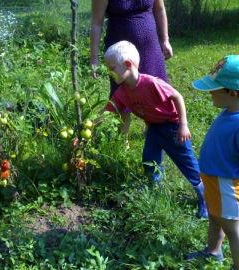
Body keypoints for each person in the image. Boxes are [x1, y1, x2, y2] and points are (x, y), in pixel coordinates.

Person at [100, 40, 207, 218]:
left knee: (186, 163)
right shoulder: (122, 92)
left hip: (173, 128)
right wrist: (85, 128)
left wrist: (183, 125)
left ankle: (206, 197)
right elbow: (107, 110)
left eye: (112, 68)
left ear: (127, 65)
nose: (109, 73)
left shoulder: (150, 83)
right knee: (149, 159)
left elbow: (177, 96)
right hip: (154, 128)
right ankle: (154, 188)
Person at [185, 55, 239, 270]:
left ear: (232, 93)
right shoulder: (230, 111)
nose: (209, 93)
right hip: (214, 180)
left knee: (233, 228)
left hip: (226, 184)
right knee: (216, 218)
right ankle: (213, 252)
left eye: (214, 89)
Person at [90, 0, 173, 137]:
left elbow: (159, 10)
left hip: (149, 46)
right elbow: (96, 22)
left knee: (155, 88)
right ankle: (123, 139)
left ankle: (154, 128)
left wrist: (165, 40)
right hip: (119, 50)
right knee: (121, 92)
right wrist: (94, 58)